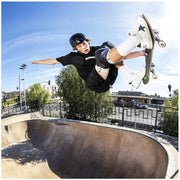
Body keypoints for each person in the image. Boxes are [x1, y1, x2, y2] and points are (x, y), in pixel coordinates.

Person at [31, 15, 152, 93]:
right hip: (95, 84)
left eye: (84, 44)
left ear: (87, 42)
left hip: (109, 78)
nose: (84, 47)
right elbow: (53, 61)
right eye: (79, 46)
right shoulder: (73, 57)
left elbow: (121, 55)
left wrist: (140, 53)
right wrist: (39, 61)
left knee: (107, 46)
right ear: (76, 48)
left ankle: (131, 78)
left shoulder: (96, 49)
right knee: (101, 54)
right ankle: (136, 39)